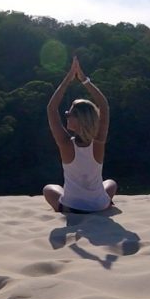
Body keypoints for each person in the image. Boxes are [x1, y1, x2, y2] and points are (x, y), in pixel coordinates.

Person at [43, 56, 118, 213]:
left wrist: (68, 80)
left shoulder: (65, 144)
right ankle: (105, 202)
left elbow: (51, 108)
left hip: (72, 208)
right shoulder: (99, 142)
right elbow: (104, 106)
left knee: (49, 189)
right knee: (111, 183)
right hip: (100, 206)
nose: (66, 115)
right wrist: (84, 80)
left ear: (78, 120)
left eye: (69, 114)